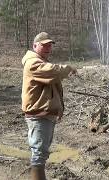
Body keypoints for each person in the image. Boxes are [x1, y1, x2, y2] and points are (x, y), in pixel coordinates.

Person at [21, 32, 77, 180]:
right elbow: (54, 71)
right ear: (34, 46)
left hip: (44, 114)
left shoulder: (40, 61)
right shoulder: (33, 63)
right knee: (39, 154)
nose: (47, 48)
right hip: (39, 115)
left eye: (49, 45)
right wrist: (69, 68)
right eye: (43, 45)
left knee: (41, 153)